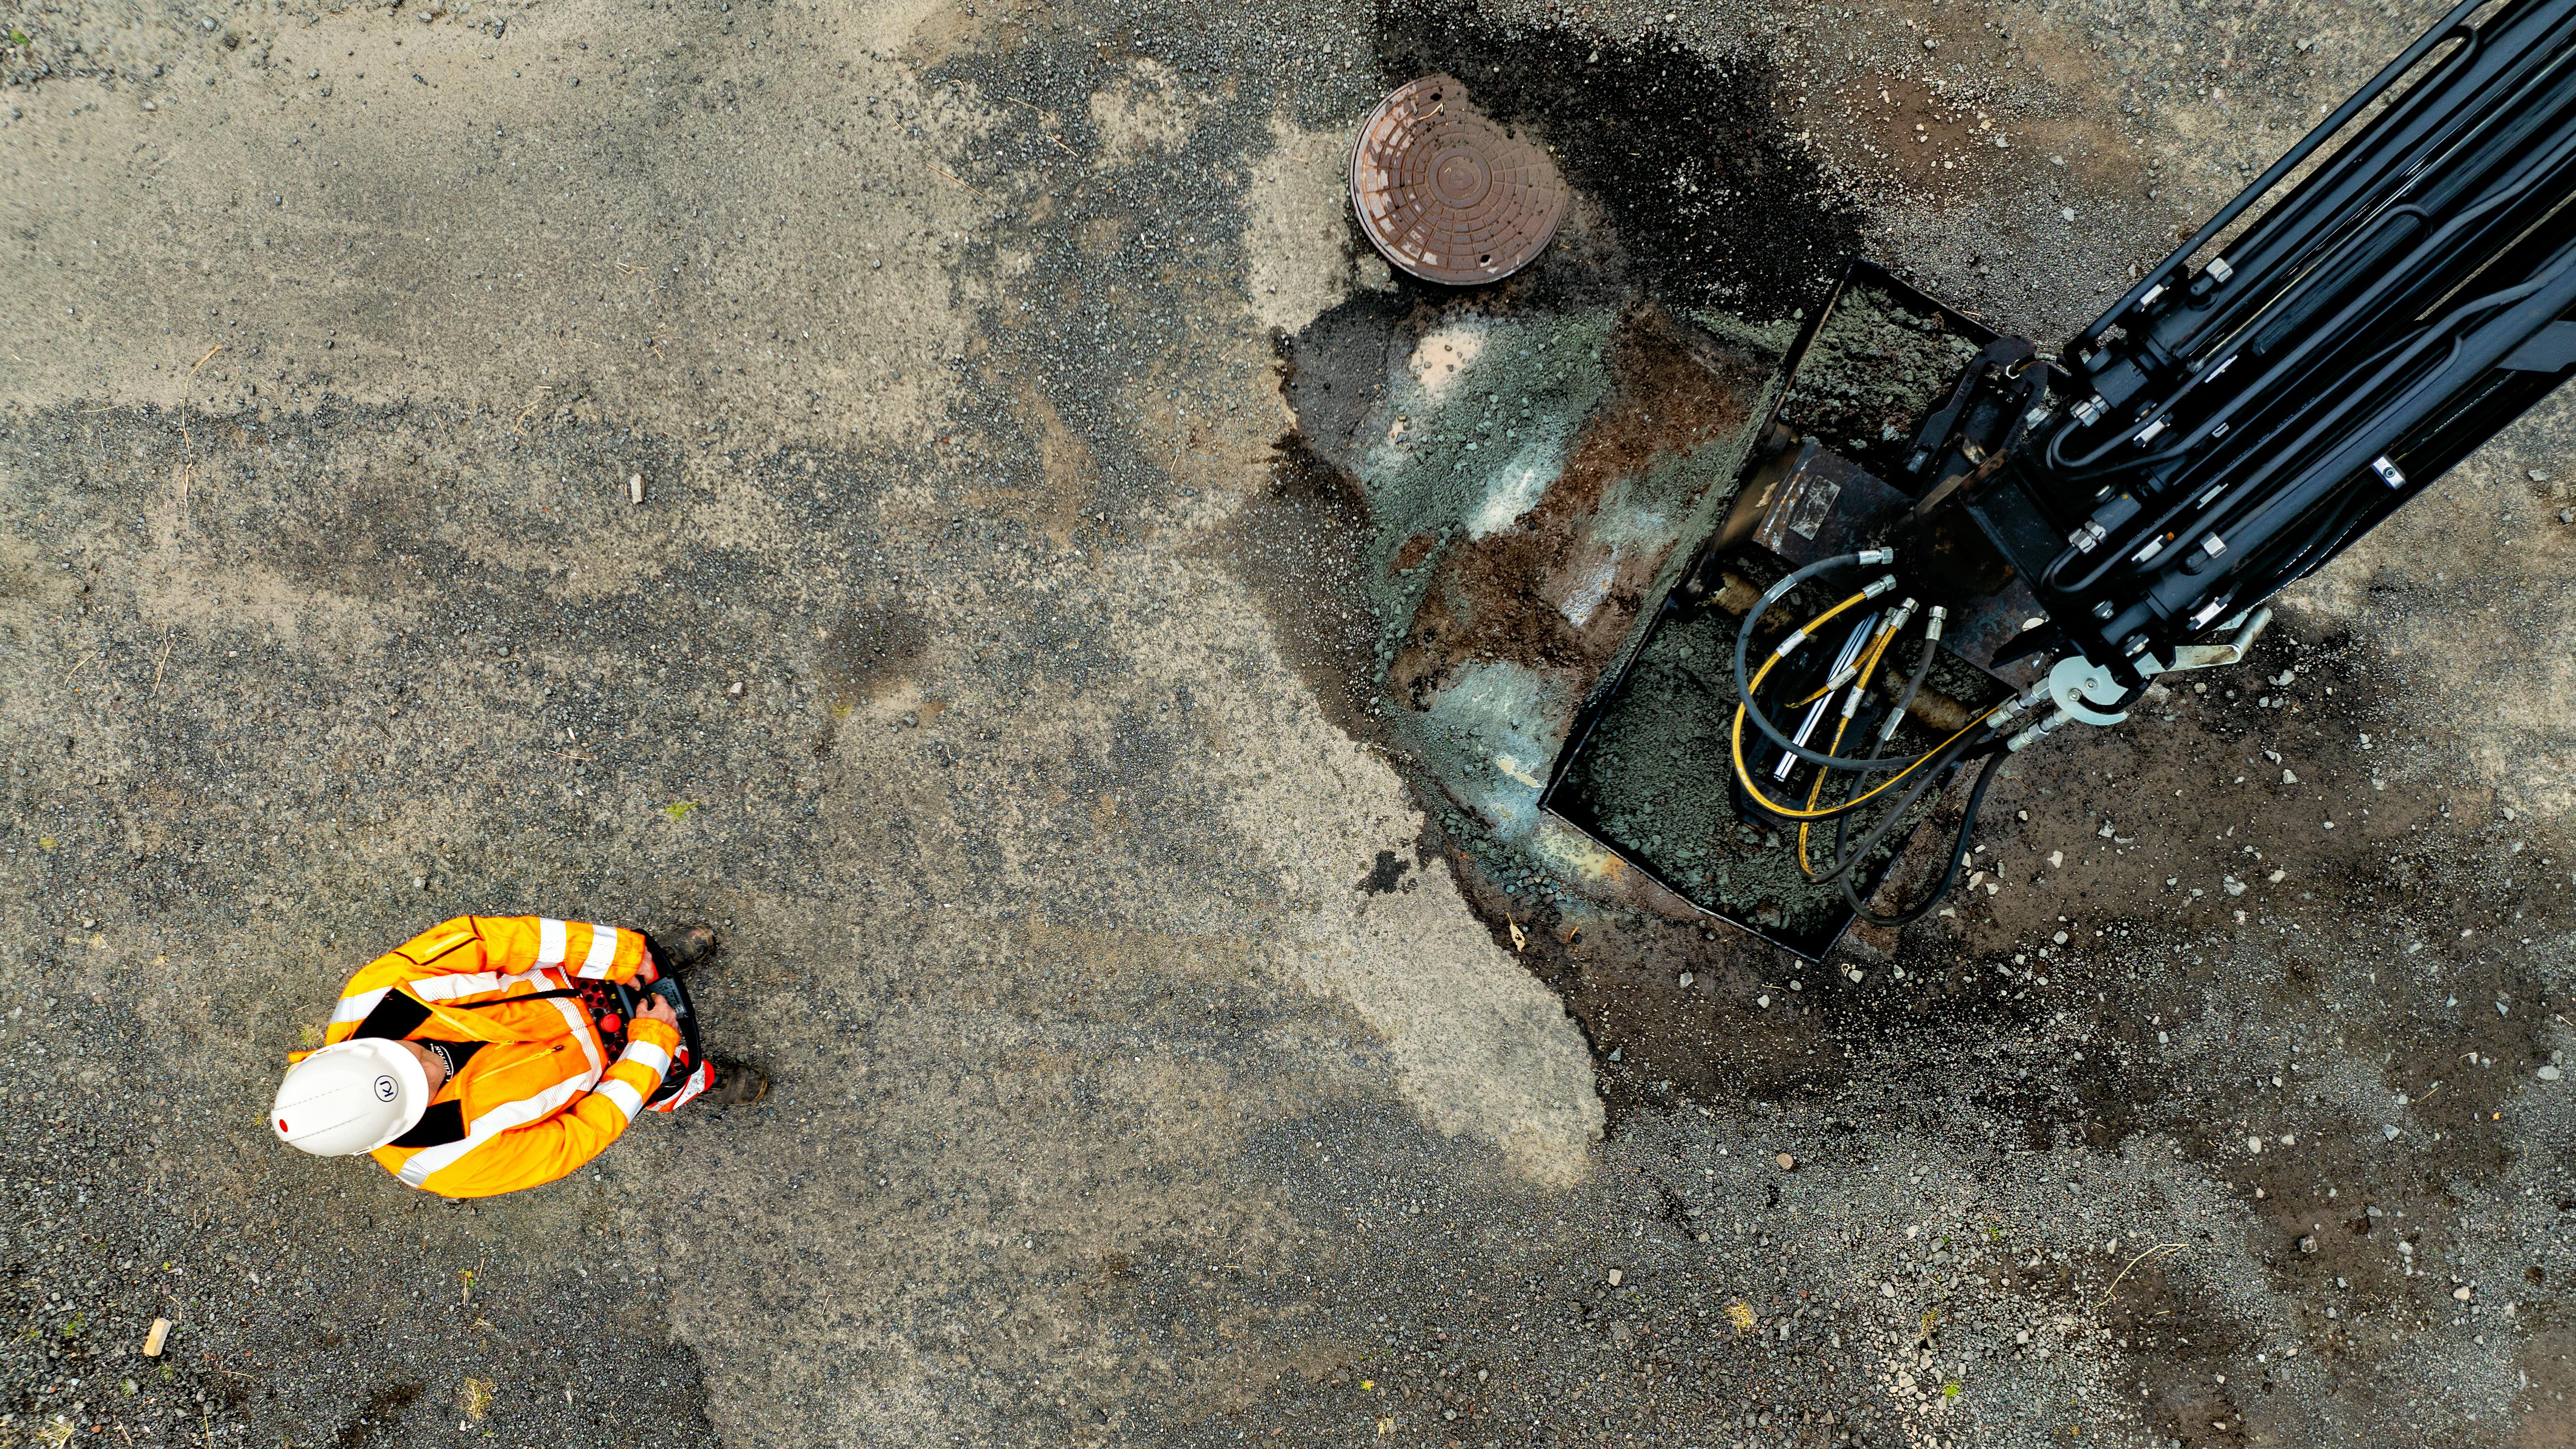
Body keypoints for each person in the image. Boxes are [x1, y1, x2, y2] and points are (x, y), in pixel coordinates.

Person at [268, 915, 766, 1196]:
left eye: (405, 1056)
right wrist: (651, 1049)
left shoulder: (374, 994)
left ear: (350, 1050)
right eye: (424, 1086)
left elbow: (492, 942)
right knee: (665, 1078)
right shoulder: (449, 1167)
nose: (431, 1064)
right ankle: (698, 1081)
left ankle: (648, 965)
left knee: (635, 961)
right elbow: (576, 1138)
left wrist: (615, 955)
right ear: (389, 1133)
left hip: (574, 982)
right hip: (602, 1072)